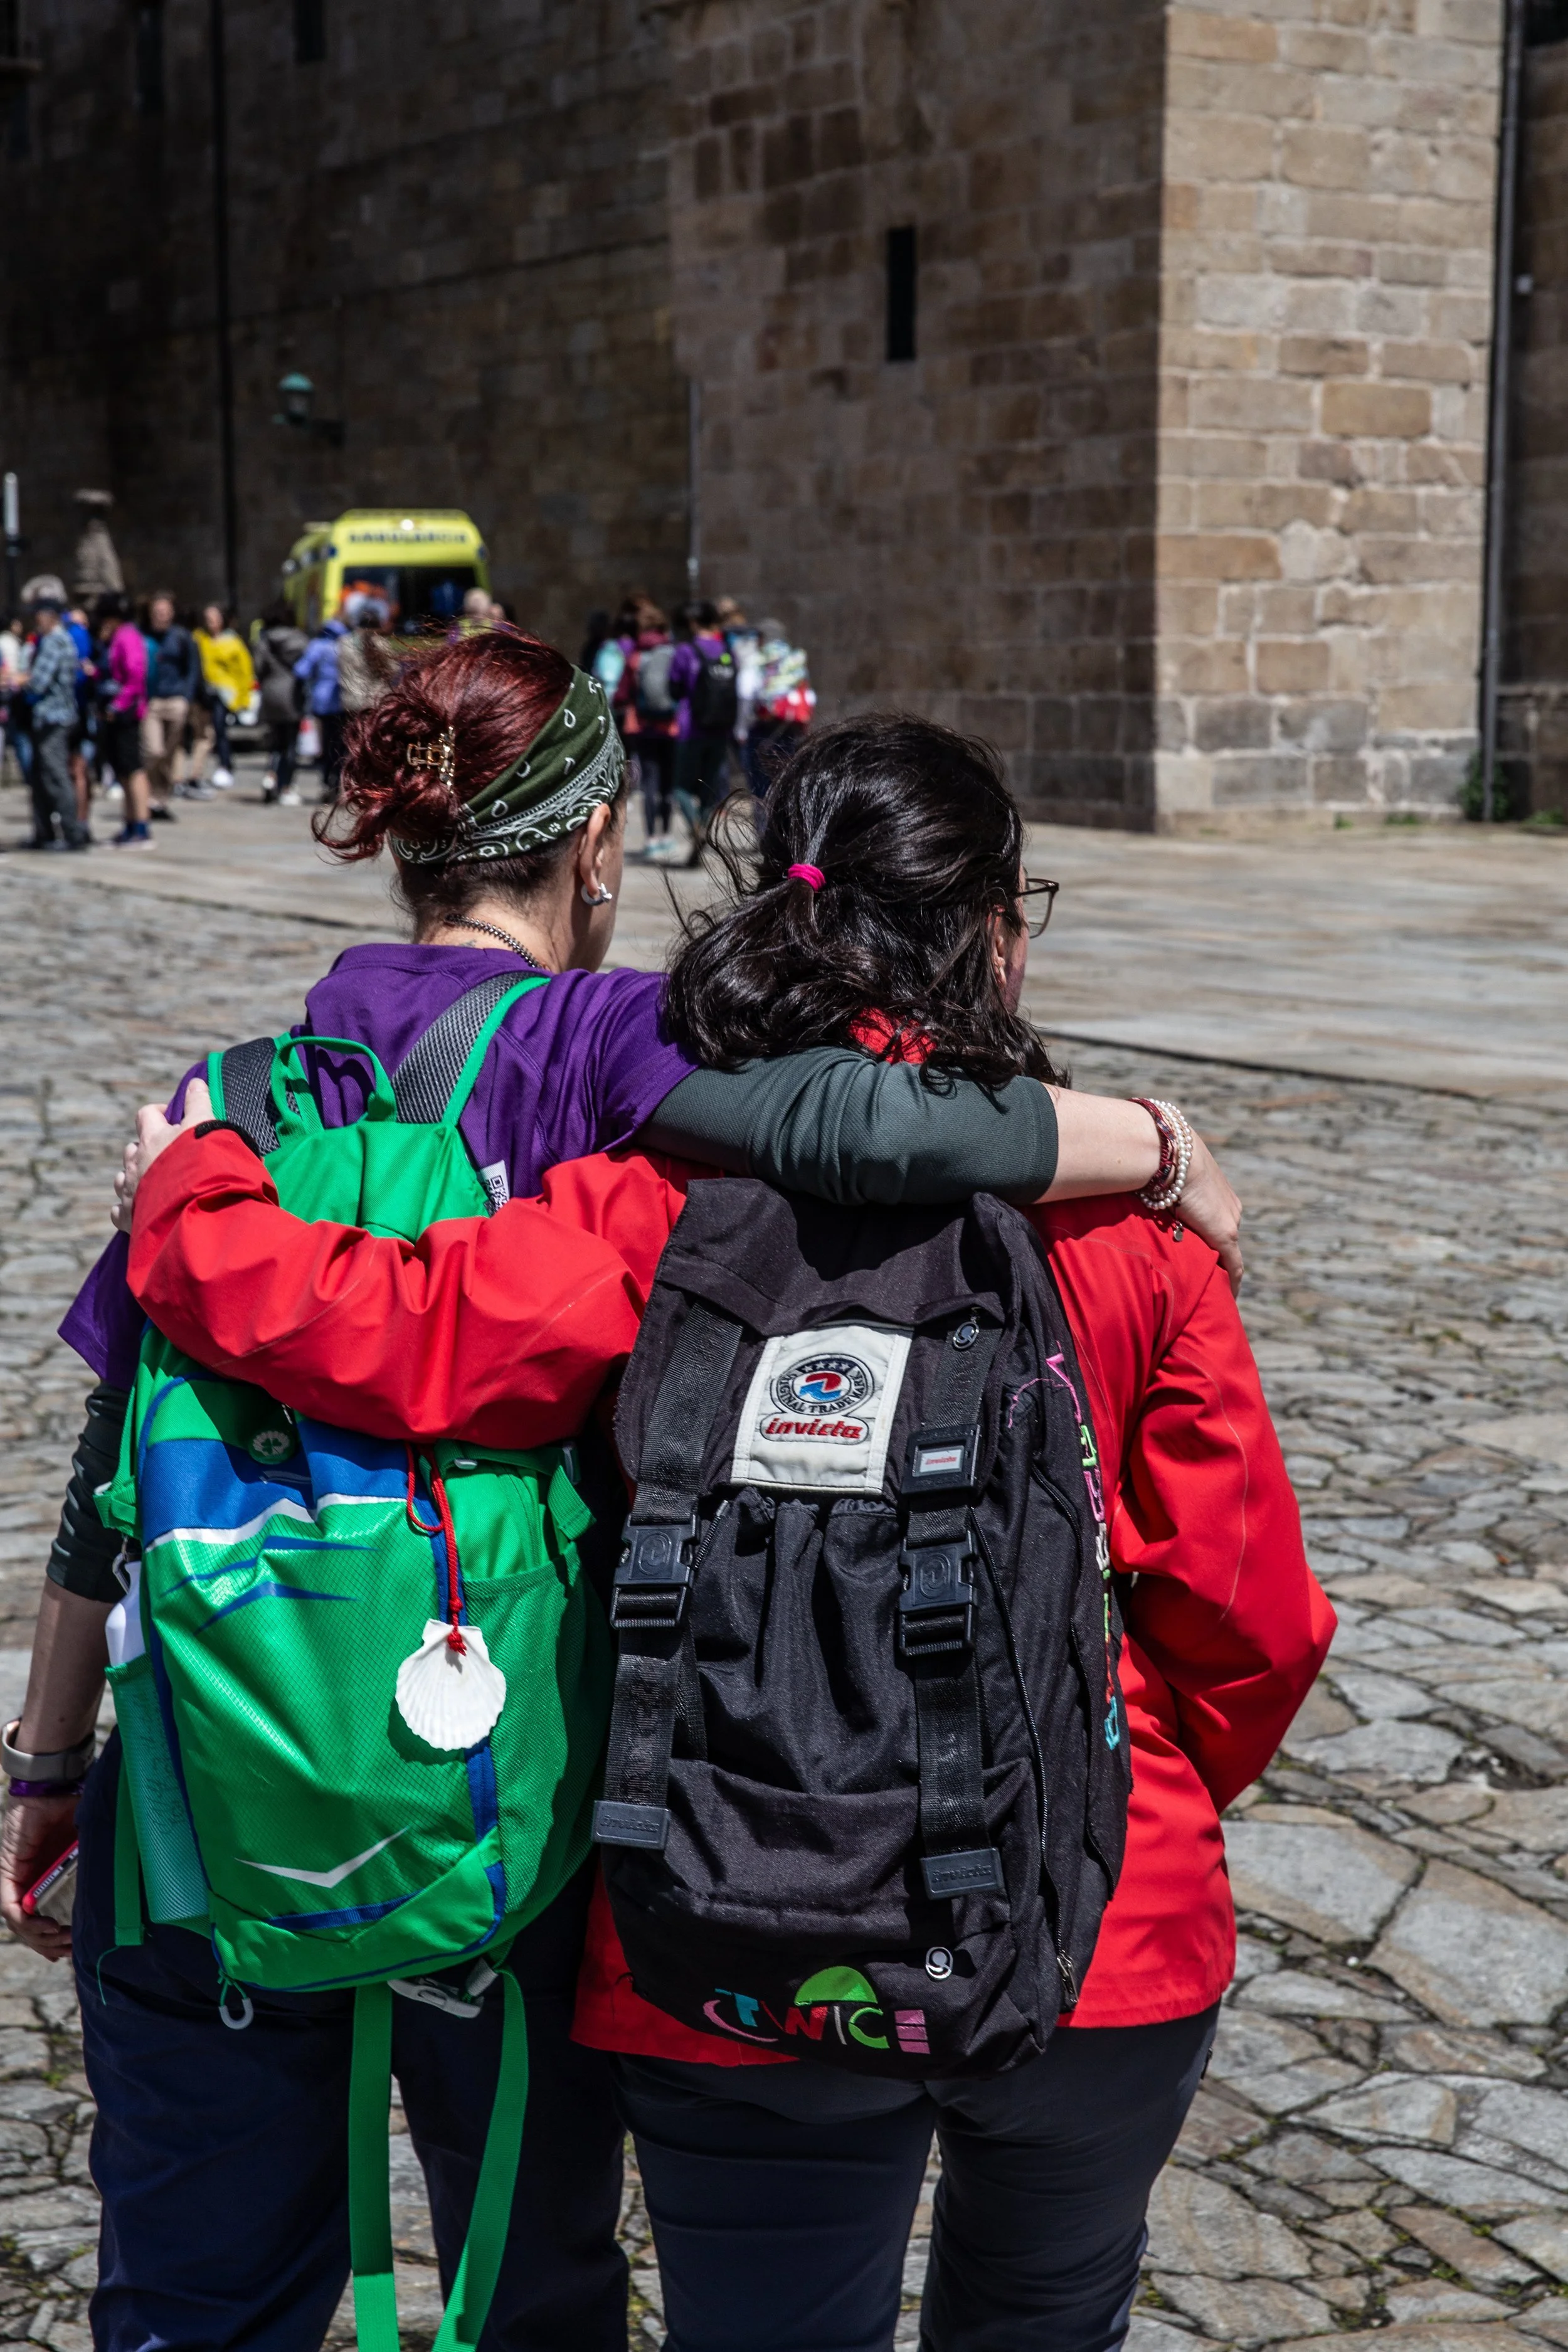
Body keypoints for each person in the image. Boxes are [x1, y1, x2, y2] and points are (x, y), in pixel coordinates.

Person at [9, 640, 1241, 2350]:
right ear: (598, 842)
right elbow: (863, 1122)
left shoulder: (227, 1103)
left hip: (203, 1786)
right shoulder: (616, 1060)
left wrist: (50, 1765)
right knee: (531, 2275)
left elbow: (104, 1474)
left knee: (201, 2293)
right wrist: (1152, 1141)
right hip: (510, 1797)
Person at [669, 600, 739, 866]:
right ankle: (702, 831)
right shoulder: (726, 650)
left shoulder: (686, 651)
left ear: (694, 623)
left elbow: (674, 688)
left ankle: (696, 827)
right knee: (708, 791)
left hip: (691, 728)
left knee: (680, 789)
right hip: (720, 729)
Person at [23, 595, 90, 850]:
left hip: (54, 718)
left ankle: (72, 834)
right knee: (41, 777)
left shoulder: (54, 642)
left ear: (47, 616)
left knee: (56, 777)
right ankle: (44, 833)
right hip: (50, 718)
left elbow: (38, 682)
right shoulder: (59, 640)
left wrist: (18, 680)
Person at [97, 595, 154, 849]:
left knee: (133, 769)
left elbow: (135, 676)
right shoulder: (117, 637)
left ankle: (141, 825)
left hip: (127, 710)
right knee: (122, 770)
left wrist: (117, 705)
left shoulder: (127, 636)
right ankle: (130, 823)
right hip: (118, 709)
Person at [745, 617, 815, 795]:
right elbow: (808, 695)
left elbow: (746, 693)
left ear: (763, 637)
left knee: (761, 784)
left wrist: (741, 727)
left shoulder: (758, 659)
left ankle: (763, 822)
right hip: (789, 728)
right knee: (785, 779)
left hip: (762, 727)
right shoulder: (794, 658)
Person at [141, 593, 198, 808]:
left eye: (165, 612)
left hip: (176, 700)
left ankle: (160, 797)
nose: (161, 616)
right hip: (152, 702)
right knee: (153, 751)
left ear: (172, 613)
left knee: (169, 754)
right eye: (157, 612)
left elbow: (193, 669)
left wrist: (186, 697)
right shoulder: (144, 637)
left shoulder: (182, 637)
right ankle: (150, 792)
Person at [191, 603, 255, 790]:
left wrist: (243, 699)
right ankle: (197, 771)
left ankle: (225, 765)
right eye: (207, 617)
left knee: (219, 729)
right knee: (201, 734)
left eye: (214, 617)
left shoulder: (234, 642)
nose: (210, 621)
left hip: (224, 693)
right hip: (202, 692)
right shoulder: (198, 638)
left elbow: (245, 672)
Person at [253, 602, 307, 805]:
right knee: (291, 744)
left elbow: (258, 668)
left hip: (271, 694)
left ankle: (270, 776)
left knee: (275, 743)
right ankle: (286, 787)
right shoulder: (300, 640)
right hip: (293, 694)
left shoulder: (264, 641)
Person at [294, 610, 346, 803]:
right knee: (341, 745)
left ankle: (327, 782)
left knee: (326, 744)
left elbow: (301, 670)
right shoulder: (345, 645)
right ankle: (339, 782)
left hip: (321, 701)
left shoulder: (317, 646)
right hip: (343, 700)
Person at [336, 591, 392, 720]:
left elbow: (339, 668)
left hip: (351, 701)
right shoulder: (381, 644)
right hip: (376, 701)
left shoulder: (344, 642)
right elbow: (393, 670)